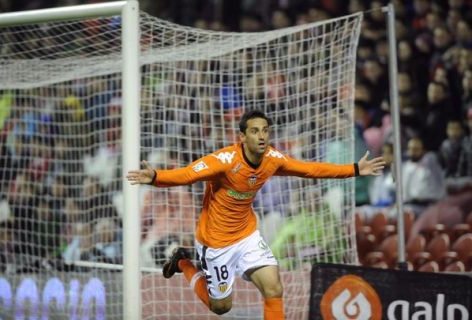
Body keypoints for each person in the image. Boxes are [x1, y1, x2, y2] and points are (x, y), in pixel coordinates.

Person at [126, 110, 385, 319]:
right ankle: (183, 261)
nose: (262, 136)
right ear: (242, 137)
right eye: (254, 131)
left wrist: (354, 168)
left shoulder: (272, 159)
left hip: (247, 235)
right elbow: (188, 174)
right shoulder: (224, 161)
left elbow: (310, 169)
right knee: (221, 308)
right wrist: (157, 177)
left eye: (265, 131)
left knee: (274, 287)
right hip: (215, 241)